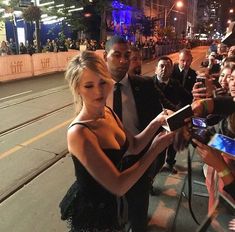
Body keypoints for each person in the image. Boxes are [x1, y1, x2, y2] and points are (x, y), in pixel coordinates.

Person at [60, 51, 174, 232]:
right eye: (89, 86)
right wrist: (154, 150)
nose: (98, 92)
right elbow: (119, 185)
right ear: (77, 89)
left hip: (115, 205)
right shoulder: (79, 133)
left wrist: (157, 121)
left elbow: (134, 145)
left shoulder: (108, 112)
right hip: (95, 216)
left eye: (102, 83)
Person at [104, 35, 173, 232]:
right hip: (106, 162)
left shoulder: (144, 85)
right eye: (116, 55)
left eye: (127, 55)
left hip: (137, 161)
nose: (124, 61)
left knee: (138, 214)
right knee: (110, 217)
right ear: (104, 56)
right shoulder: (97, 89)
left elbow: (158, 124)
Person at [153, 56, 192, 174]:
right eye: (161, 66)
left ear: (172, 70)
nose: (164, 69)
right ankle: (151, 177)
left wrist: (179, 111)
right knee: (155, 151)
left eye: (168, 66)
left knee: (172, 144)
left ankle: (169, 163)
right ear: (156, 69)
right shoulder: (148, 83)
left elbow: (188, 97)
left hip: (172, 120)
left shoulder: (175, 84)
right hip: (154, 122)